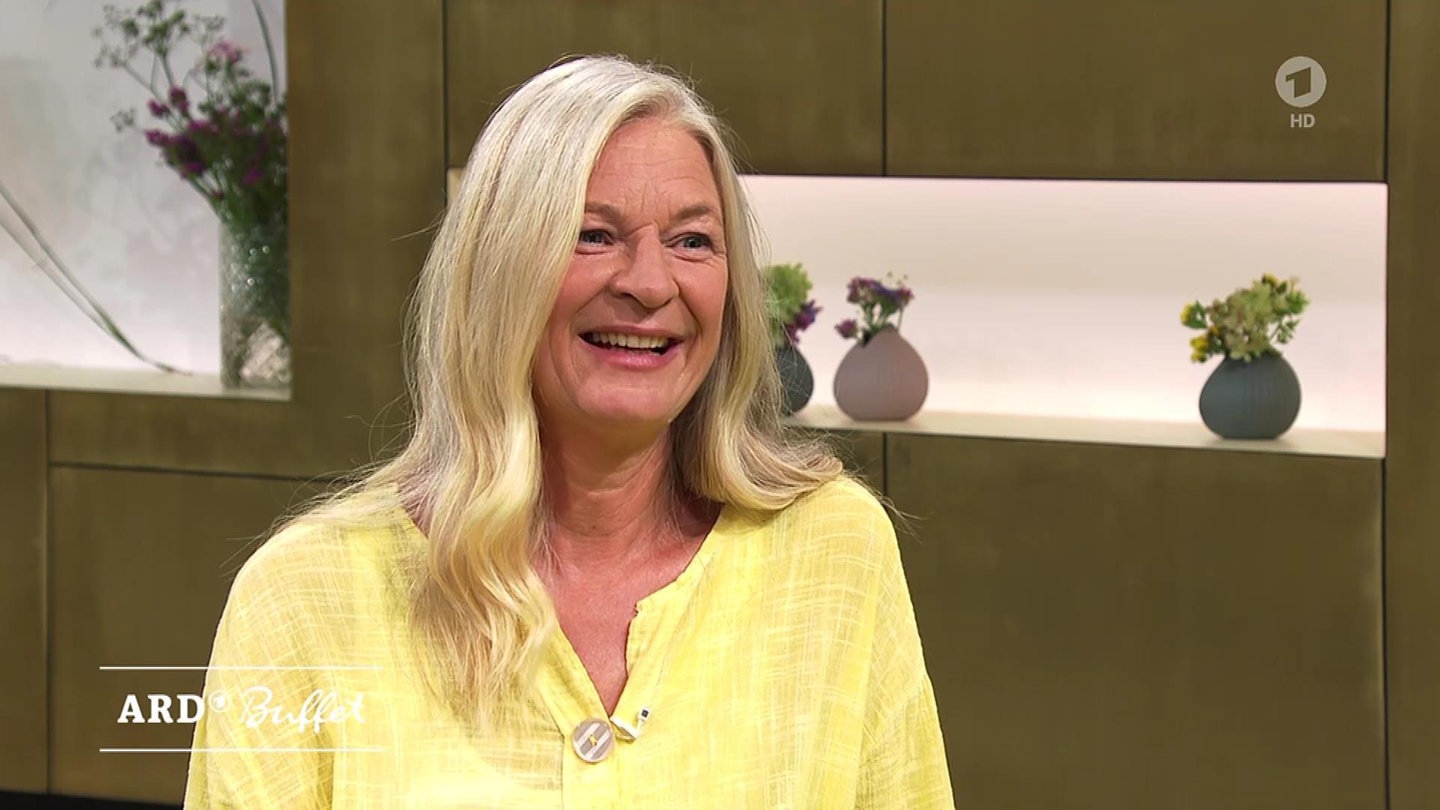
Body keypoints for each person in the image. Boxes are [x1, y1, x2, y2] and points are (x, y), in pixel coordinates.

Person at [184, 55, 953, 808]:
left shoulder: (836, 552)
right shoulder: (303, 598)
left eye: (692, 240)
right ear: (498, 272)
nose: (649, 283)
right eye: (593, 234)